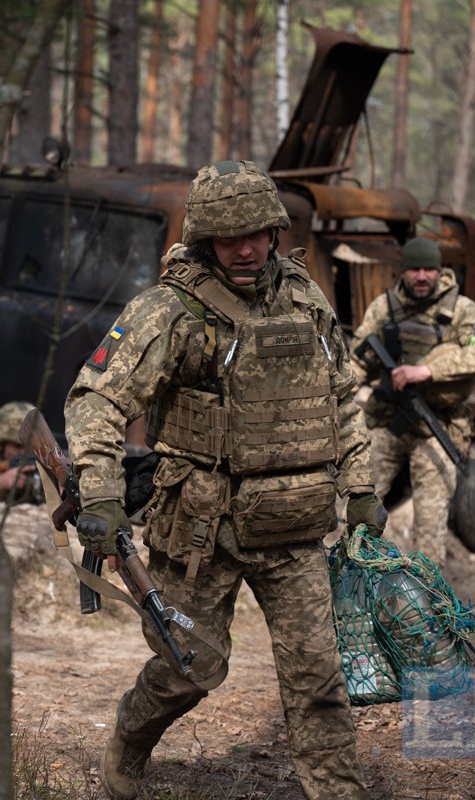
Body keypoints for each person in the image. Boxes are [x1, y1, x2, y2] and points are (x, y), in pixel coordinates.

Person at [63, 160, 384, 800]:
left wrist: (362, 486)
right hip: (202, 526)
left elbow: (343, 399)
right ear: (205, 237)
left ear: (273, 231)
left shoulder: (304, 299)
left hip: (294, 522)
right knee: (191, 668)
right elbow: (95, 400)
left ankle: (338, 791)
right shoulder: (169, 311)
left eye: (257, 233)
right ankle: (130, 735)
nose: (245, 248)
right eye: (229, 236)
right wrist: (100, 490)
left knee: (318, 679)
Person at [349, 236, 475, 567]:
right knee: (360, 510)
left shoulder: (460, 309)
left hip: (437, 425)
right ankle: (358, 584)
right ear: (403, 272)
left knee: (430, 531)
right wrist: (339, 397)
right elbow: (358, 359)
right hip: (387, 421)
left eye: (428, 269)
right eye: (414, 269)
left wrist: (428, 370)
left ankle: (427, 605)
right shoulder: (384, 307)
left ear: (439, 271)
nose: (421, 276)